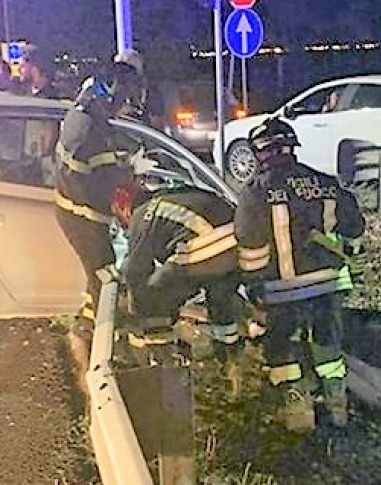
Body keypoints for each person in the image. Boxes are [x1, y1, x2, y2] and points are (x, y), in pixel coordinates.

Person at [234, 117, 365, 432]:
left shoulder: (256, 191)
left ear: (260, 153)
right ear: (292, 148)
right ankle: (337, 407)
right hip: (330, 284)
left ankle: (298, 413)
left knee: (282, 350)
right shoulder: (326, 183)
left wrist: (254, 289)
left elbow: (250, 243)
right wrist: (348, 260)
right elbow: (354, 228)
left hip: (284, 288)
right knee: (328, 347)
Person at [113, 157, 249, 392]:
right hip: (238, 244)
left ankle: (164, 361)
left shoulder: (142, 216)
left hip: (212, 245)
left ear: (124, 206)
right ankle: (229, 365)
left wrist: (134, 312)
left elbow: (135, 271)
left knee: (154, 292)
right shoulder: (167, 198)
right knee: (220, 300)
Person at [54, 61, 144, 344]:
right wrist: (133, 170)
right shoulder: (90, 129)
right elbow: (106, 177)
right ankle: (106, 343)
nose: (123, 107)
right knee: (105, 277)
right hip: (84, 215)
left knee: (98, 275)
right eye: (123, 99)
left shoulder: (82, 114)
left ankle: (86, 324)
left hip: (76, 209)